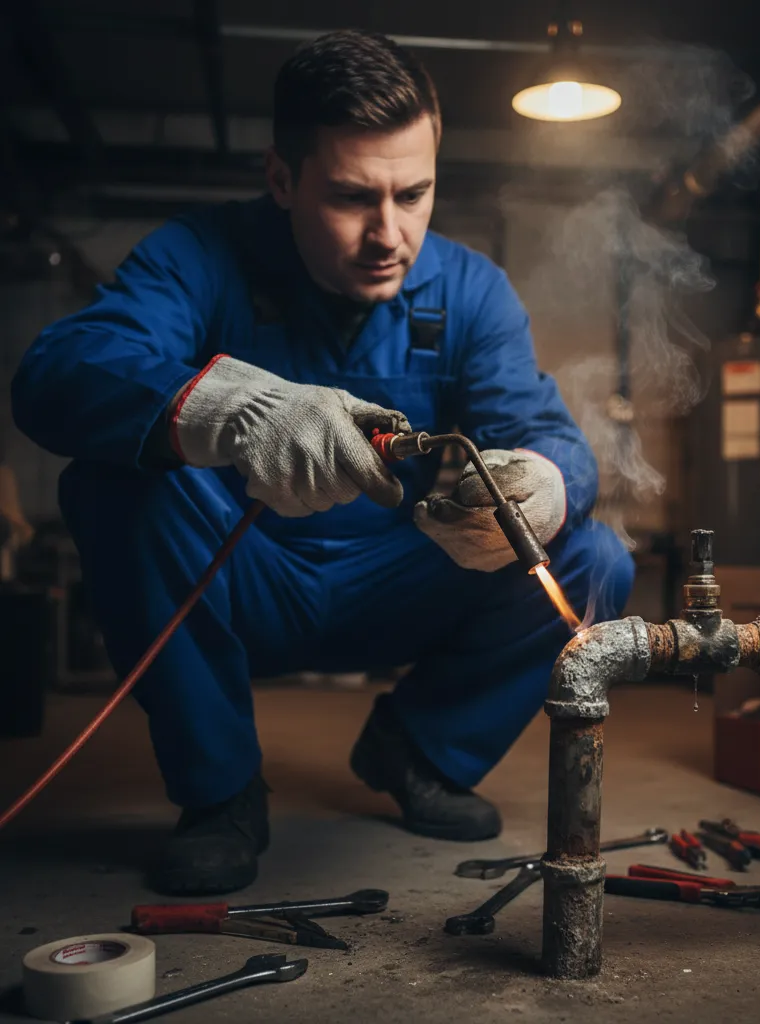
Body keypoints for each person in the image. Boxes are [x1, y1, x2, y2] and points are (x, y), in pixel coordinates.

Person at [11, 29, 633, 896]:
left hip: (403, 579)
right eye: (351, 197)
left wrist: (543, 481)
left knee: (595, 556)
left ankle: (418, 747)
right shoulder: (199, 254)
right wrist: (232, 409)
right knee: (110, 488)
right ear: (281, 179)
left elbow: (545, 430)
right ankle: (222, 793)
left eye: (414, 194)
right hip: (243, 580)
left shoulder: (471, 290)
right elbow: (56, 374)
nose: (391, 233)